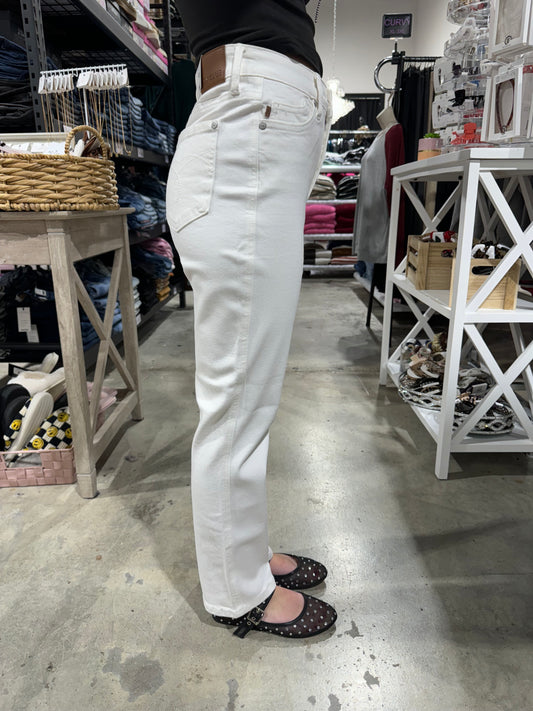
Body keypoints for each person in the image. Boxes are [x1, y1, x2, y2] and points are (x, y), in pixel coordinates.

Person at [166, 0, 337, 639]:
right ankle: (237, 592)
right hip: (246, 140)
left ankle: (247, 553)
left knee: (249, 397)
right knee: (238, 402)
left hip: (256, 133)